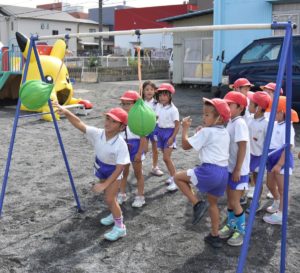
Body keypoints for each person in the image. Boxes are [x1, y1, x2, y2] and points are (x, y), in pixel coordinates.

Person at [53, 102, 130, 241]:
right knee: (109, 199)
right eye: (108, 119)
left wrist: (105, 185)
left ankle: (120, 227)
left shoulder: (121, 144)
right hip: (101, 167)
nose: (108, 123)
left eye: (114, 122)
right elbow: (79, 124)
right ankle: (114, 214)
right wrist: (66, 112)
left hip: (114, 172)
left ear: (122, 127)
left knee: (109, 198)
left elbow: (120, 168)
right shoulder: (98, 133)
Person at [174, 98, 231, 248]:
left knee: (178, 177)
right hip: (223, 173)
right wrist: (201, 131)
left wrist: (185, 128)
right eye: (203, 114)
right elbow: (210, 144)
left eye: (207, 115)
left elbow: (185, 146)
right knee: (213, 204)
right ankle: (215, 235)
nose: (203, 117)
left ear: (219, 118)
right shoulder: (224, 131)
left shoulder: (207, 131)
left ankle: (197, 203)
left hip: (209, 170)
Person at [219, 91, 250, 247]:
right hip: (230, 168)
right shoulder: (231, 121)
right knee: (230, 201)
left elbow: (242, 147)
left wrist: (238, 169)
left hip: (239, 171)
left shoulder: (240, 123)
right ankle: (231, 225)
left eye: (229, 104)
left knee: (235, 201)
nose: (226, 106)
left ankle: (241, 231)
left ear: (240, 107)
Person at [263, 96, 299, 225]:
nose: (273, 114)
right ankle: (277, 202)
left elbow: (287, 146)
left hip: (282, 159)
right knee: (270, 184)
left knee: (283, 188)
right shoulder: (275, 123)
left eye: (275, 111)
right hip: (271, 156)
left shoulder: (288, 127)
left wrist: (279, 164)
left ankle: (281, 214)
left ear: (282, 112)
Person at [118, 90, 147, 208]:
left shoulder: (140, 118)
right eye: (123, 104)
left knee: (138, 173)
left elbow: (143, 138)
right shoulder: (121, 117)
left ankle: (140, 196)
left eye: (128, 104)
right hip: (124, 146)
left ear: (136, 104)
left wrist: (139, 153)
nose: (125, 106)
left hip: (136, 147)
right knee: (123, 172)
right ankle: (122, 193)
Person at [245, 91, 271, 212]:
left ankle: (256, 202)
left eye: (251, 103)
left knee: (257, 178)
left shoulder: (266, 124)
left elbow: (268, 142)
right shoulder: (248, 119)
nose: (248, 105)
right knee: (245, 176)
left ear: (259, 108)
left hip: (259, 156)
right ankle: (244, 196)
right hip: (247, 154)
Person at [155, 83, 180, 191]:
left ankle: (176, 180)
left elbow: (177, 125)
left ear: (170, 95)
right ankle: (172, 176)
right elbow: (155, 118)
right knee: (165, 158)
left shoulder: (173, 109)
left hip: (169, 133)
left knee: (166, 158)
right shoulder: (158, 106)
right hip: (160, 132)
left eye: (165, 95)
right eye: (160, 95)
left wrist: (172, 137)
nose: (162, 97)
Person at [142, 80, 163, 176]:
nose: (149, 91)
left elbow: (157, 116)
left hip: (154, 128)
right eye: (147, 89)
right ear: (143, 91)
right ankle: (140, 166)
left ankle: (155, 167)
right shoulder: (140, 103)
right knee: (144, 149)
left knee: (155, 148)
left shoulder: (157, 103)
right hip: (144, 128)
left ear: (154, 91)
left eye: (151, 89)